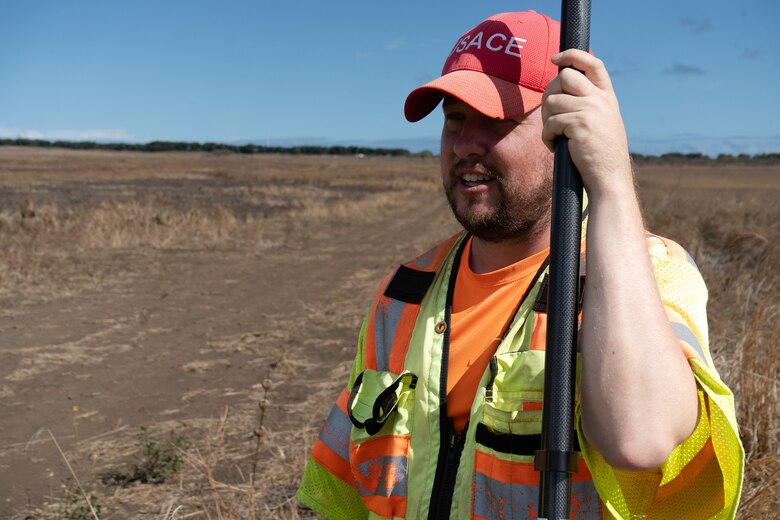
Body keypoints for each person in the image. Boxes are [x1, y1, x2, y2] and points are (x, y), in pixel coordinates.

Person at [296, 10, 743, 519]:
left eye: (496, 118)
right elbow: (350, 490)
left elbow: (639, 440)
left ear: (569, 131)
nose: (466, 143)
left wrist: (611, 180)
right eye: (454, 118)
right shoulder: (404, 292)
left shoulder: (649, 272)